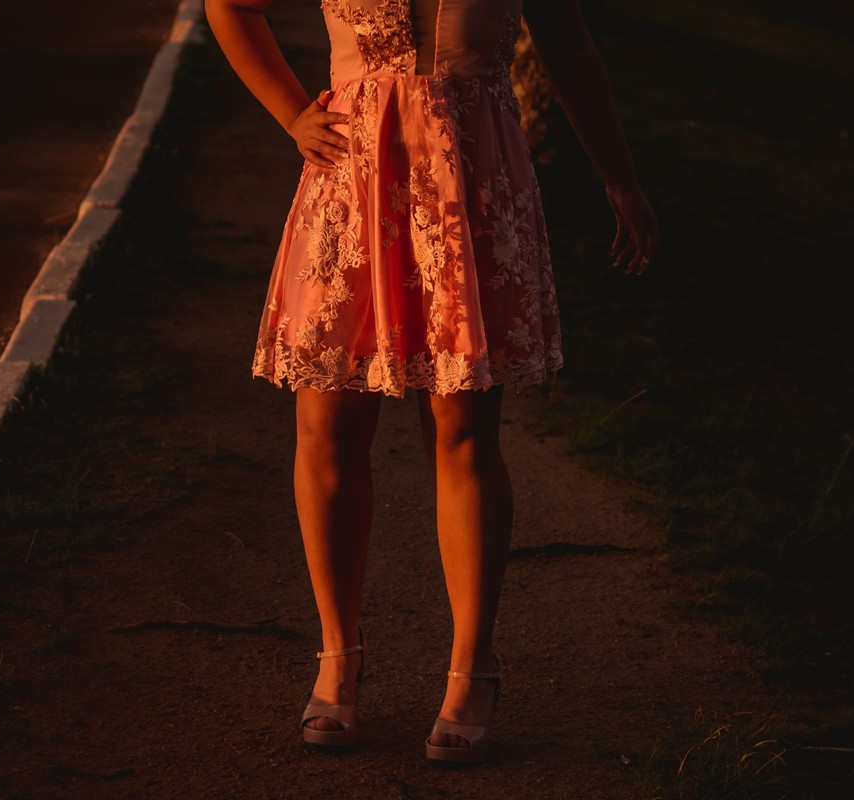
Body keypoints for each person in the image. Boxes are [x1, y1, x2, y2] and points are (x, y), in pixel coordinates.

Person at [204, 0, 659, 762]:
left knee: (463, 430)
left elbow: (569, 44)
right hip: (350, 178)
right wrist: (290, 112)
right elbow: (231, 5)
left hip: (473, 178)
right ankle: (338, 659)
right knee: (328, 425)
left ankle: (472, 672)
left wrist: (620, 180)